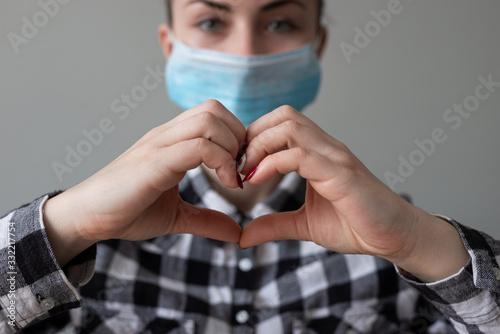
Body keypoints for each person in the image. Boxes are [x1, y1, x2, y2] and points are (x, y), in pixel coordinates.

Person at [1, 0, 499, 333]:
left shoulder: (395, 246)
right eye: (212, 21)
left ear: (316, 47)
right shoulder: (86, 247)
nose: (245, 53)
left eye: (279, 22)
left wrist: (420, 244)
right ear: (170, 47)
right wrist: (67, 225)